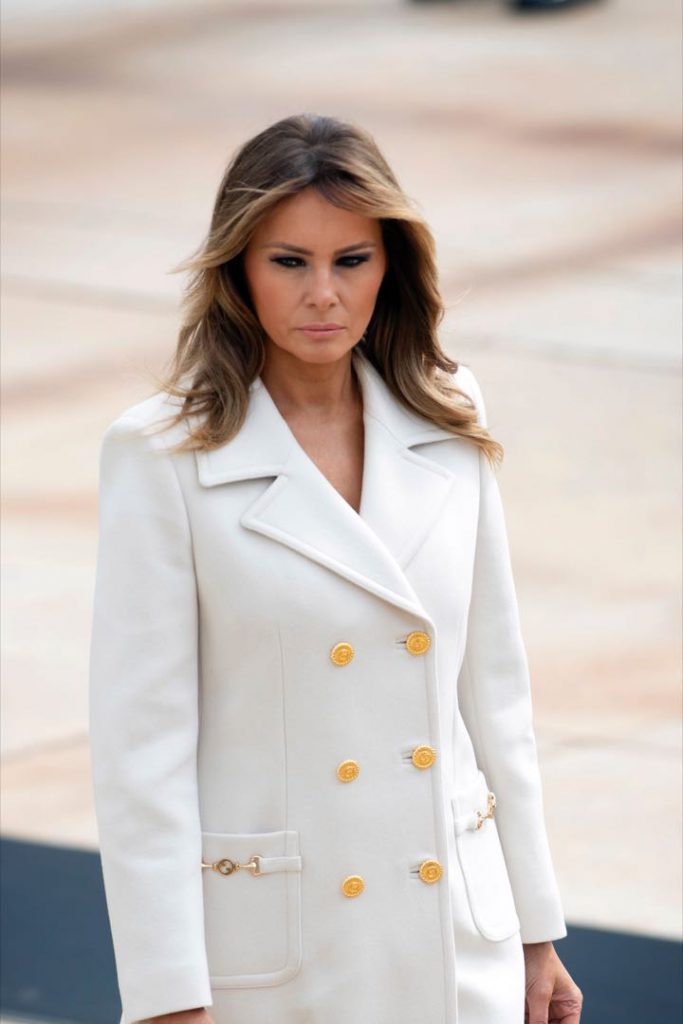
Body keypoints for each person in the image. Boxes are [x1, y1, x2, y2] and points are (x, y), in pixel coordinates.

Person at [88, 112, 584, 1024]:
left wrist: (534, 931)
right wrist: (167, 996)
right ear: (238, 269)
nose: (322, 294)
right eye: (289, 262)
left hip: (455, 943)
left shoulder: (447, 412)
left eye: (350, 260)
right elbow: (141, 757)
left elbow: (494, 696)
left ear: (390, 265)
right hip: (280, 960)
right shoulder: (162, 454)